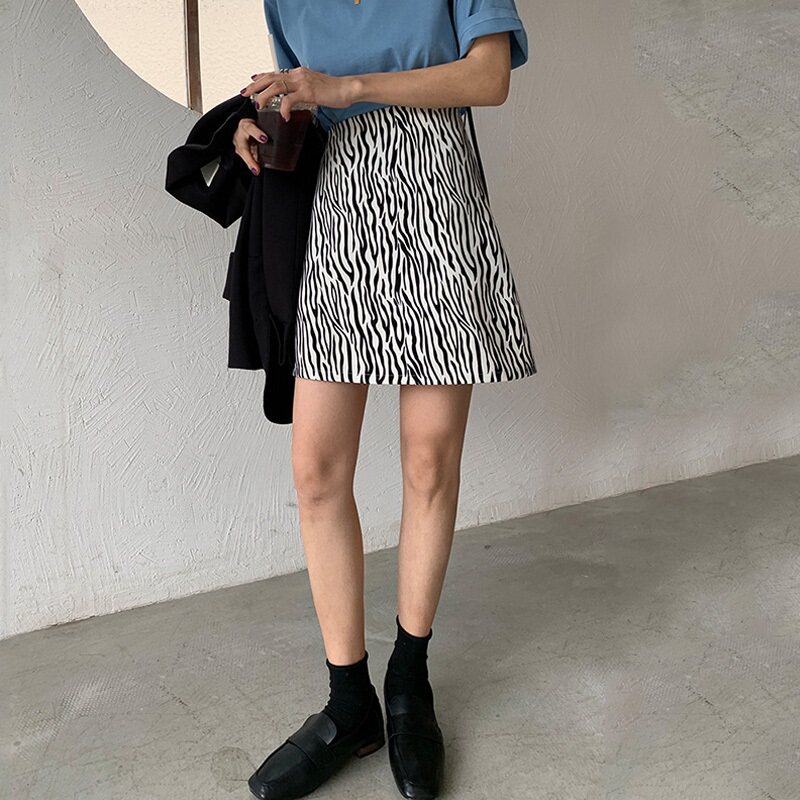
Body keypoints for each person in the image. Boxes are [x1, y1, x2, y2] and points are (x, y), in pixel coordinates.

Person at [233, 2, 537, 798]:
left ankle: (408, 681)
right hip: (339, 202)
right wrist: (258, 120)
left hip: (437, 185)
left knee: (429, 460)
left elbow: (490, 76)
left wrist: (348, 87)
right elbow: (297, 89)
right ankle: (349, 705)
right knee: (316, 472)